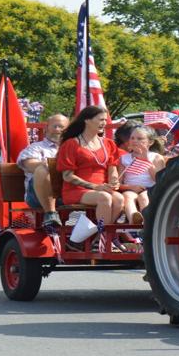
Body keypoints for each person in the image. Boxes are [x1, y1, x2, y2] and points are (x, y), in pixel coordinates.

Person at [54, 105, 122, 249]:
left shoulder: (108, 143)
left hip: (101, 189)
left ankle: (98, 237)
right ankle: (102, 237)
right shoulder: (71, 144)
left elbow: (112, 168)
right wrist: (95, 187)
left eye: (105, 120)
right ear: (87, 121)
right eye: (100, 119)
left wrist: (114, 180)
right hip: (76, 190)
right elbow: (67, 176)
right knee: (105, 198)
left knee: (119, 199)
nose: (104, 123)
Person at [17, 114, 69, 231]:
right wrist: (51, 165)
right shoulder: (35, 148)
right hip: (38, 194)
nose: (57, 130)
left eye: (61, 127)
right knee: (43, 168)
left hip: (66, 191)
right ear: (46, 128)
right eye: (54, 126)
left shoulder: (73, 148)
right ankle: (50, 213)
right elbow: (29, 165)